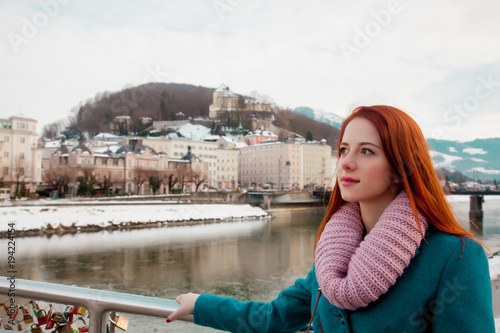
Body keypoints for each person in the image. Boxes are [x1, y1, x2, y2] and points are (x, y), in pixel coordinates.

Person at [166, 105, 494, 332]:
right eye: (344, 150)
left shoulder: (455, 257)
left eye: (366, 151)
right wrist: (201, 305)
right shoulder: (336, 255)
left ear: (399, 168)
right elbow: (273, 318)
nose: (346, 163)